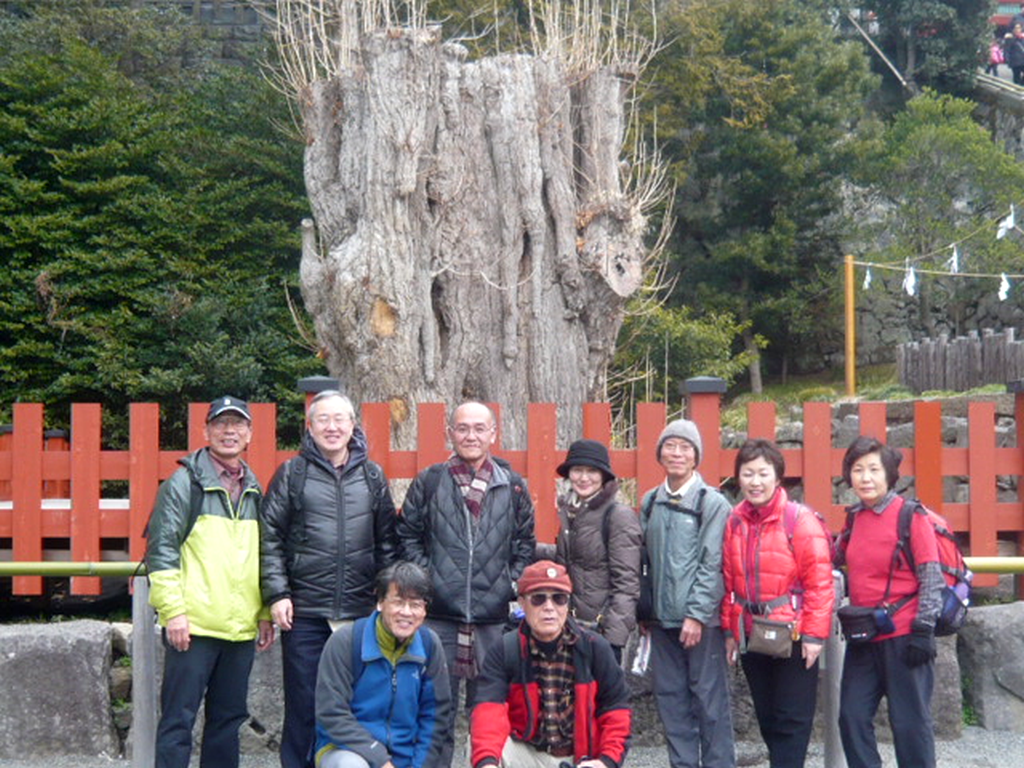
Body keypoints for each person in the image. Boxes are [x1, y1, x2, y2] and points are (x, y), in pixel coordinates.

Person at [260, 390, 398, 768]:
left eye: (340, 419)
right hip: (305, 612)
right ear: (310, 426)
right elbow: (269, 536)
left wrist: (385, 598)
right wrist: (277, 593)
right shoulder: (293, 473)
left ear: (353, 426)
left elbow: (387, 541)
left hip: (358, 613)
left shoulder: (372, 476)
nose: (332, 427)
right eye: (323, 419)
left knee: (359, 702)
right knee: (303, 704)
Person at [397, 401, 536, 767]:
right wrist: (431, 581)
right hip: (440, 617)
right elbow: (407, 538)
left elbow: (525, 544)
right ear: (450, 433)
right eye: (462, 428)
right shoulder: (429, 482)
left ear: (493, 434)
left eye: (479, 428)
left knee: (487, 714)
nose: (470, 436)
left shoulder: (513, 487)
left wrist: (507, 584)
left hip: (492, 620)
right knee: (435, 711)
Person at [146, 396, 274, 768]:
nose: (229, 431)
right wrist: (174, 612)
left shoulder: (253, 487)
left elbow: (263, 553)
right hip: (194, 626)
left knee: (227, 723)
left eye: (237, 424)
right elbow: (162, 552)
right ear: (206, 431)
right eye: (221, 424)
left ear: (249, 433)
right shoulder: (183, 483)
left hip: (239, 630)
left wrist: (264, 610)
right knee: (177, 722)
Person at [721, 439, 835, 768]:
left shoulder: (799, 521)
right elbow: (728, 582)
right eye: (747, 474)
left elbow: (819, 582)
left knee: (791, 720)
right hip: (751, 630)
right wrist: (730, 630)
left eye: (762, 473)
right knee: (768, 717)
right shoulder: (735, 522)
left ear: (777, 477)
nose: (755, 482)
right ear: (738, 478)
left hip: (794, 633)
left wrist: (814, 635)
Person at [836, 436, 943, 768]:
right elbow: (833, 555)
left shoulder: (911, 515)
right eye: (857, 470)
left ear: (890, 474)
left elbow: (931, 576)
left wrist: (924, 629)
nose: (865, 478)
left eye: (873, 469)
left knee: (910, 725)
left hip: (906, 635)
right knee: (851, 717)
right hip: (865, 637)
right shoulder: (854, 519)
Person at [470, 560, 631, 768]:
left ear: (568, 604)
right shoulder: (504, 650)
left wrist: (606, 762)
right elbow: (488, 710)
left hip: (580, 759)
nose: (549, 608)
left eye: (559, 599)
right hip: (526, 753)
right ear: (521, 603)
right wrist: (487, 763)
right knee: (479, 750)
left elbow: (616, 709)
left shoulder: (595, 648)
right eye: (538, 599)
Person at [640, 418, 735, 768]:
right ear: (660, 453)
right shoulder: (651, 501)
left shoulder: (711, 503)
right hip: (661, 622)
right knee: (670, 701)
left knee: (709, 703)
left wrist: (696, 614)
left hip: (701, 623)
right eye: (670, 446)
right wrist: (644, 611)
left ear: (696, 457)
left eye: (685, 448)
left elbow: (713, 565)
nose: (676, 453)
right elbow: (644, 561)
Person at [313, 561, 451, 768]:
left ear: (425, 609)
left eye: (415, 605)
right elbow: (332, 712)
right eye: (398, 602)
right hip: (349, 750)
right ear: (380, 602)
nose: (406, 612)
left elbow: (435, 717)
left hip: (408, 754)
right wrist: (381, 760)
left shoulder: (430, 645)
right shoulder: (347, 641)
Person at [550, 438, 641, 663]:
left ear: (603, 476)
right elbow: (573, 558)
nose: (583, 478)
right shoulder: (571, 511)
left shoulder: (618, 516)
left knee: (603, 697)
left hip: (602, 630)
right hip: (570, 625)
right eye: (577, 470)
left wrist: (614, 638)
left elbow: (627, 582)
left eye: (591, 471)